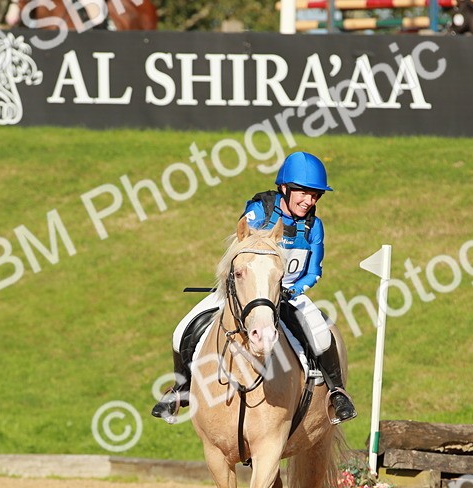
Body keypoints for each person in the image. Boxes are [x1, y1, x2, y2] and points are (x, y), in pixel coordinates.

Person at [151, 152, 357, 425]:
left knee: (321, 336)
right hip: (246, 293)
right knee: (182, 331)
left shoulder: (314, 226)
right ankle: (182, 388)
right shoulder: (260, 211)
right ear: (284, 188)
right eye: (303, 193)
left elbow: (313, 271)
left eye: (315, 196)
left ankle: (336, 393)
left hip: (289, 295)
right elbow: (241, 247)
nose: (309, 201)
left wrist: (293, 291)